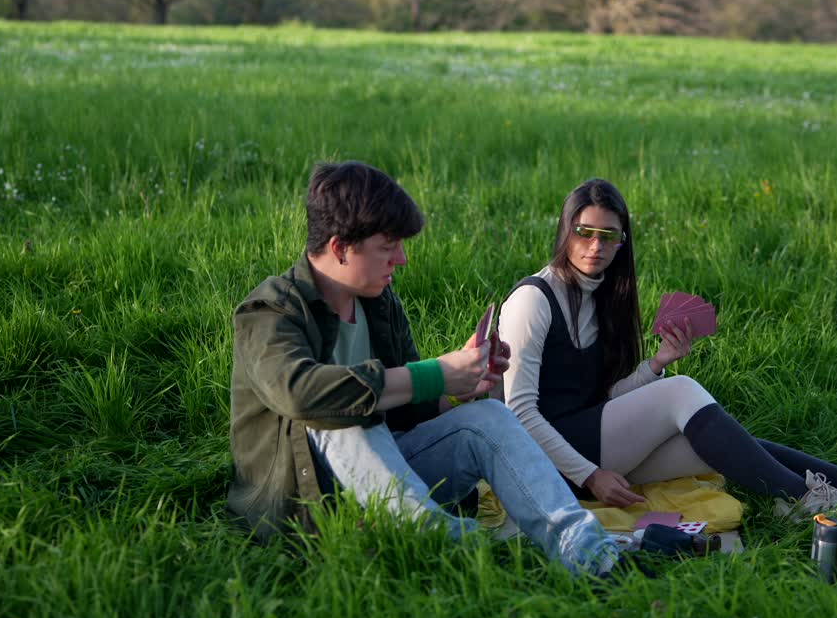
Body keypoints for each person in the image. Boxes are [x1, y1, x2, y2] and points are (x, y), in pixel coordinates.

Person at [228, 162, 620, 575]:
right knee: (346, 416)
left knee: (488, 415)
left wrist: (463, 387)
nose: (402, 260)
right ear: (341, 247)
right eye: (388, 246)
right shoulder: (270, 311)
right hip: (303, 499)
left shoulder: (378, 303)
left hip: (389, 476)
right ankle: (457, 548)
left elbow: (409, 410)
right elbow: (299, 392)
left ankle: (591, 554)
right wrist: (433, 373)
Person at [499, 178, 837, 520]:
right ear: (565, 230)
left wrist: (657, 364)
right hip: (548, 466)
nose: (595, 246)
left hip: (590, 444)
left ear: (623, 242)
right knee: (682, 391)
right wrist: (589, 475)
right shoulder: (533, 300)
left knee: (728, 447)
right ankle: (805, 500)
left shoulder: (599, 300)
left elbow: (602, 401)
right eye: (585, 231)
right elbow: (518, 413)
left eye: (608, 236)